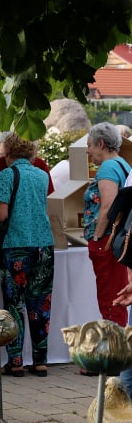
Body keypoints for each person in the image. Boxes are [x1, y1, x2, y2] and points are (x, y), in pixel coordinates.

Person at [0, 133, 55, 377]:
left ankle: (15, 362)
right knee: (41, 303)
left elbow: (2, 214)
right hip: (44, 244)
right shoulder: (42, 175)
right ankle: (41, 361)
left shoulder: (6, 174)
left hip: (17, 245)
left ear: (8, 153)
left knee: (15, 304)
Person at [84, 123, 131, 326]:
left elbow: (107, 206)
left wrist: (97, 237)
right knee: (116, 294)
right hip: (118, 239)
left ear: (101, 144)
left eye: (89, 145)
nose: (87, 151)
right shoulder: (122, 164)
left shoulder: (108, 167)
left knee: (110, 298)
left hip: (107, 241)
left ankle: (115, 341)